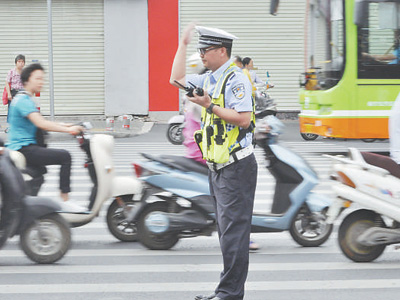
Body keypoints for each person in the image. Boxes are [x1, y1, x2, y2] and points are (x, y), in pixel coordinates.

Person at [170, 24, 258, 300]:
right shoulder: (210, 78)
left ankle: (229, 294)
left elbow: (243, 118)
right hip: (218, 168)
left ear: (222, 51)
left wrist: (210, 106)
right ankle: (227, 291)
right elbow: (177, 78)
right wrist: (182, 45)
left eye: (205, 49)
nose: (202, 54)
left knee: (234, 235)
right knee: (226, 234)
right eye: (200, 49)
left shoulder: (236, 79)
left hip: (237, 167)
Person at [6, 63, 83, 203]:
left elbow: (40, 121)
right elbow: (42, 124)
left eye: (42, 78)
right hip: (24, 148)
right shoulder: (23, 100)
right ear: (27, 80)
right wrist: (68, 130)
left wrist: (66, 125)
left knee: (39, 174)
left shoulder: (24, 98)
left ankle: (29, 205)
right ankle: (65, 201)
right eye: (38, 78)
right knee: (65, 157)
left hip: (24, 147)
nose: (42, 82)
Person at [5, 54, 25, 121]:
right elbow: (7, 83)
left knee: (21, 110)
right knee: (12, 110)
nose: (21, 63)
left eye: (22, 62)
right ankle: (10, 127)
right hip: (13, 92)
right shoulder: (11, 72)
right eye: (19, 61)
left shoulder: (25, 72)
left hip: (22, 92)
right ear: (16, 63)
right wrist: (9, 94)